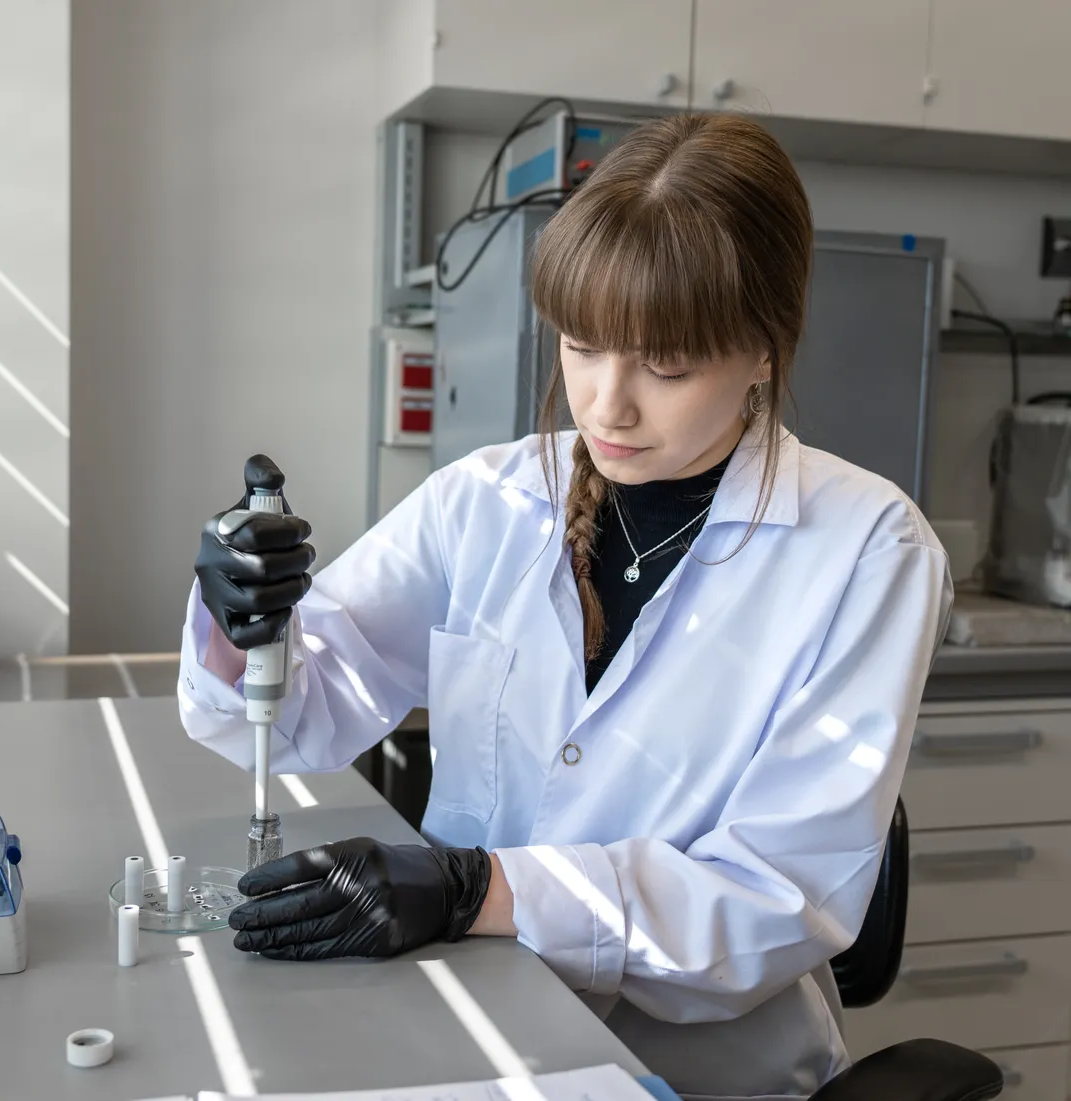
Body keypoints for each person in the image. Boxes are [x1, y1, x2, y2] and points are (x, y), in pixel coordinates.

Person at [179, 113, 952, 1100]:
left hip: (701, 1071)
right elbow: (297, 718)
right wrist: (244, 617)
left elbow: (774, 900)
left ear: (764, 349)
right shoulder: (489, 500)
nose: (606, 405)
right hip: (465, 1031)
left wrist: (478, 890)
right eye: (581, 347)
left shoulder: (864, 551)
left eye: (665, 366)